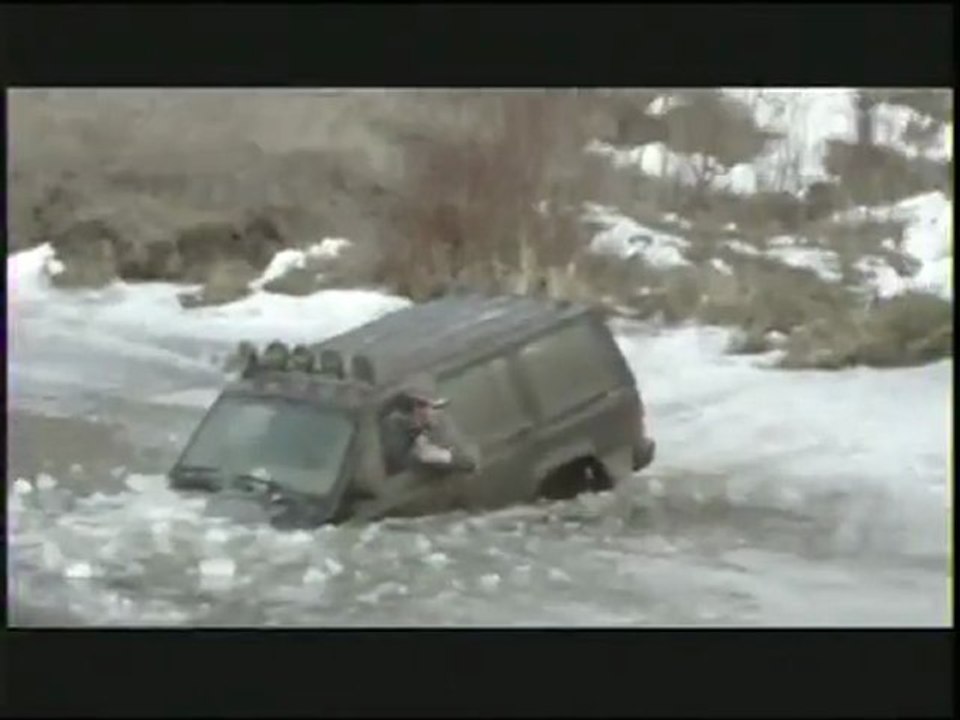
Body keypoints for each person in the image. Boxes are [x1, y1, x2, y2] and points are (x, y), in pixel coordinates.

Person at [382, 381, 478, 476]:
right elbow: (418, 457)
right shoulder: (398, 428)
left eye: (435, 407)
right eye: (424, 407)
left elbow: (468, 459)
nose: (434, 413)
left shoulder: (435, 422)